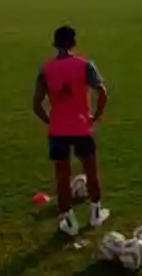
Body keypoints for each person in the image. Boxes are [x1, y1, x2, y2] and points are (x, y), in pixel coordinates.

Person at [32, 24, 111, 237]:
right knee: (91, 170)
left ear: (55, 44)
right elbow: (102, 92)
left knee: (62, 175)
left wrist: (50, 121)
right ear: (73, 42)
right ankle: (95, 213)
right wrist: (97, 114)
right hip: (81, 126)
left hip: (58, 130)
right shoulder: (85, 65)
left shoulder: (46, 69)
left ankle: (68, 221)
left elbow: (36, 105)